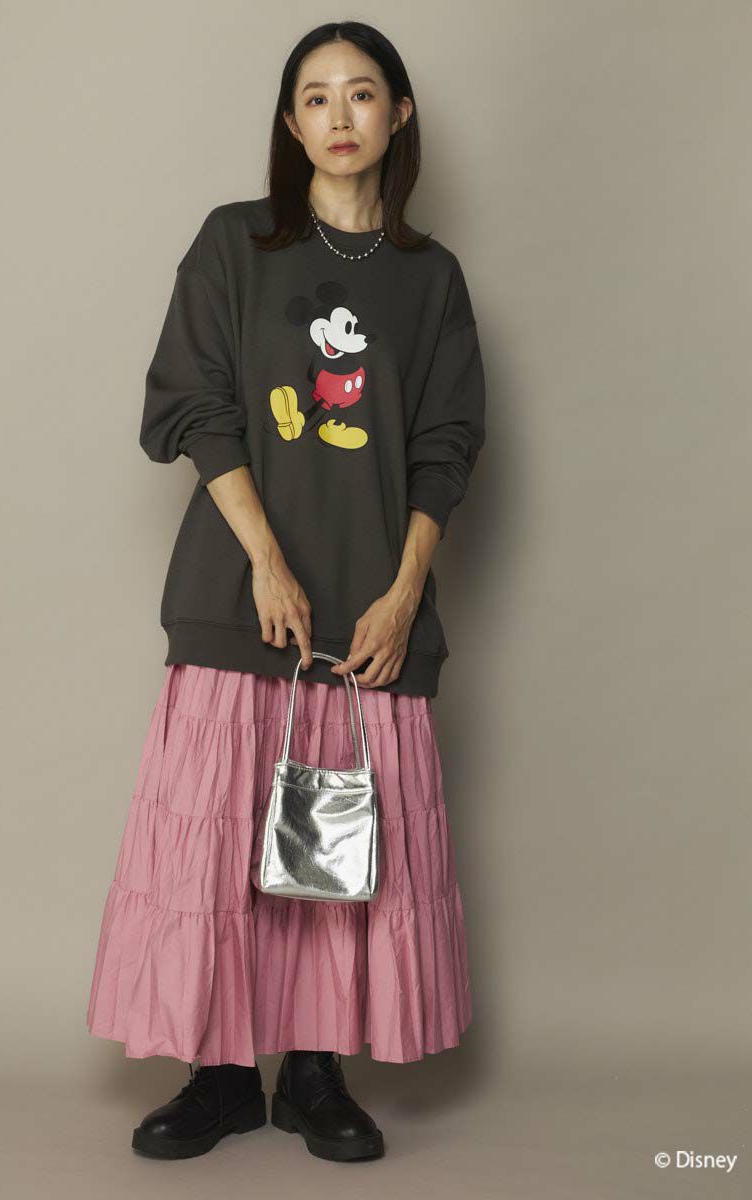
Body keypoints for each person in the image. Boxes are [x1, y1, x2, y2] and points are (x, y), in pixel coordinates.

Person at [85, 19, 486, 1163]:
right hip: (239, 594)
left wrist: (404, 592)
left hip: (368, 612)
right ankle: (218, 1077)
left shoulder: (429, 278)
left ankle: (314, 1074)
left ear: (398, 114)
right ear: (290, 122)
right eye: (315, 96)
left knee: (334, 856)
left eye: (361, 94)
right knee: (217, 852)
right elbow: (194, 403)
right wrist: (263, 557)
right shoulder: (234, 244)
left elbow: (447, 443)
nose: (339, 115)